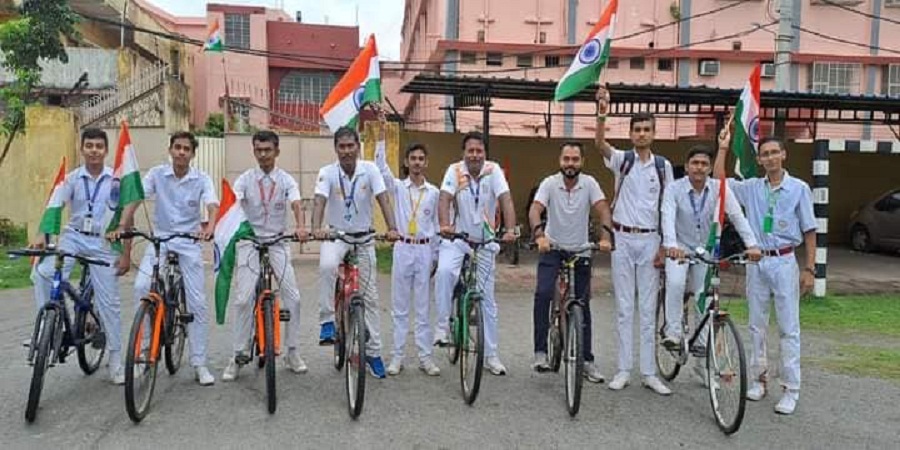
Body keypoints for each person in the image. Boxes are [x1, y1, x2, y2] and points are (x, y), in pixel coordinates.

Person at [714, 128, 816, 415]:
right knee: (757, 325)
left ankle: (791, 388)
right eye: (765, 154)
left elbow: (810, 231)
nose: (770, 158)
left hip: (784, 261)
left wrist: (810, 269)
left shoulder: (799, 189)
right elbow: (720, 181)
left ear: (784, 155)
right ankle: (760, 380)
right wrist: (723, 148)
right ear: (759, 160)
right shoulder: (752, 188)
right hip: (757, 261)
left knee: (788, 327)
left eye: (774, 152)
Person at [30, 128, 131, 384]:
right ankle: (47, 328)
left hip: (102, 242)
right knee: (42, 273)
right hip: (73, 237)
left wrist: (126, 253)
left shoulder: (116, 180)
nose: (94, 150)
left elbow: (125, 220)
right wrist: (42, 234)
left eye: (99, 146)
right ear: (82, 149)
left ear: (106, 151)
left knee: (110, 304)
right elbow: (55, 205)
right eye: (89, 145)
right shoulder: (72, 178)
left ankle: (116, 361)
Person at [122, 131, 219, 386]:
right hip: (161, 240)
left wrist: (209, 228)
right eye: (177, 147)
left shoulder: (202, 178)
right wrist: (125, 222)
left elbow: (212, 205)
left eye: (187, 149)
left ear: (193, 154)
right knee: (142, 287)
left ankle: (199, 363)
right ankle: (143, 351)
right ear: (170, 150)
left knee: (197, 301)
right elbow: (136, 197)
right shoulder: (156, 174)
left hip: (189, 241)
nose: (181, 152)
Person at [595, 87, 674, 395]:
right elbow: (600, 144)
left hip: (651, 240)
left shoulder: (662, 166)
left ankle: (649, 373)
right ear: (630, 134)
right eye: (637, 129)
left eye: (646, 129)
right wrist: (603, 111)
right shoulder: (622, 160)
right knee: (625, 307)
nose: (641, 134)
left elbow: (667, 206)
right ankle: (624, 369)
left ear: (653, 134)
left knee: (648, 308)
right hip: (623, 240)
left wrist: (665, 245)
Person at [660, 144, 761, 383]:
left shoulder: (720, 189)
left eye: (704, 164)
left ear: (709, 168)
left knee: (705, 298)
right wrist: (671, 245)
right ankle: (672, 331)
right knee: (674, 283)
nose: (699, 168)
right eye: (695, 163)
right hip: (680, 250)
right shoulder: (674, 189)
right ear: (687, 167)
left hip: (706, 251)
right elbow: (667, 217)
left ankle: (702, 356)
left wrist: (752, 245)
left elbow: (737, 217)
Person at [312, 126, 400, 379]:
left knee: (370, 297)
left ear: (358, 147)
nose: (347, 151)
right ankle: (327, 321)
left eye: (351, 146)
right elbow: (319, 201)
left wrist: (392, 228)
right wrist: (316, 229)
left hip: (364, 237)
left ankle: (373, 353)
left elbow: (383, 199)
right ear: (336, 149)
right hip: (336, 235)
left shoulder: (370, 170)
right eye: (342, 146)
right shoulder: (327, 172)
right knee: (328, 266)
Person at [222, 130, 309, 381]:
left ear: (277, 151)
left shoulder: (286, 180)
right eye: (258, 150)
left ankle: (293, 351)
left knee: (294, 298)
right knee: (242, 299)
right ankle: (238, 354)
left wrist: (301, 226)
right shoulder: (245, 179)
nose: (263, 155)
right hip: (250, 241)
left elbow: (296, 203)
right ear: (254, 151)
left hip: (278, 241)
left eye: (267, 150)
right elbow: (234, 203)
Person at [433, 131, 517, 376]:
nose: (475, 155)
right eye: (470, 150)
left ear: (485, 153)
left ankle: (491, 355)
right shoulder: (455, 170)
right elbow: (444, 199)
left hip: (485, 241)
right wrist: (444, 225)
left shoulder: (494, 170)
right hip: (457, 238)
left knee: (487, 300)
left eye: (479, 151)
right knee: (446, 272)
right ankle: (442, 328)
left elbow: (506, 200)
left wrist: (511, 230)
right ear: (464, 153)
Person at [529, 141, 613, 383]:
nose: (570, 164)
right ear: (560, 161)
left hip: (580, 250)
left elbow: (604, 210)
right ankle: (540, 352)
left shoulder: (590, 184)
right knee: (544, 293)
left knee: (582, 305)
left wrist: (605, 238)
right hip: (552, 248)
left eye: (575, 159)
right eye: (566, 159)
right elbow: (535, 210)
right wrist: (539, 235)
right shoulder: (549, 183)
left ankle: (586, 361)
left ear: (582, 162)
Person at [374, 130, 441, 377]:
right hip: (403, 247)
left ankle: (425, 357)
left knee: (423, 307)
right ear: (406, 162)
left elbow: (435, 225)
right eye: (412, 158)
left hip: (424, 249)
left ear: (426, 162)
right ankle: (397, 356)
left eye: (421, 158)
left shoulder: (433, 192)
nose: (417, 162)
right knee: (400, 306)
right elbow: (380, 168)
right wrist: (381, 136)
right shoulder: (399, 188)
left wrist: (435, 256)